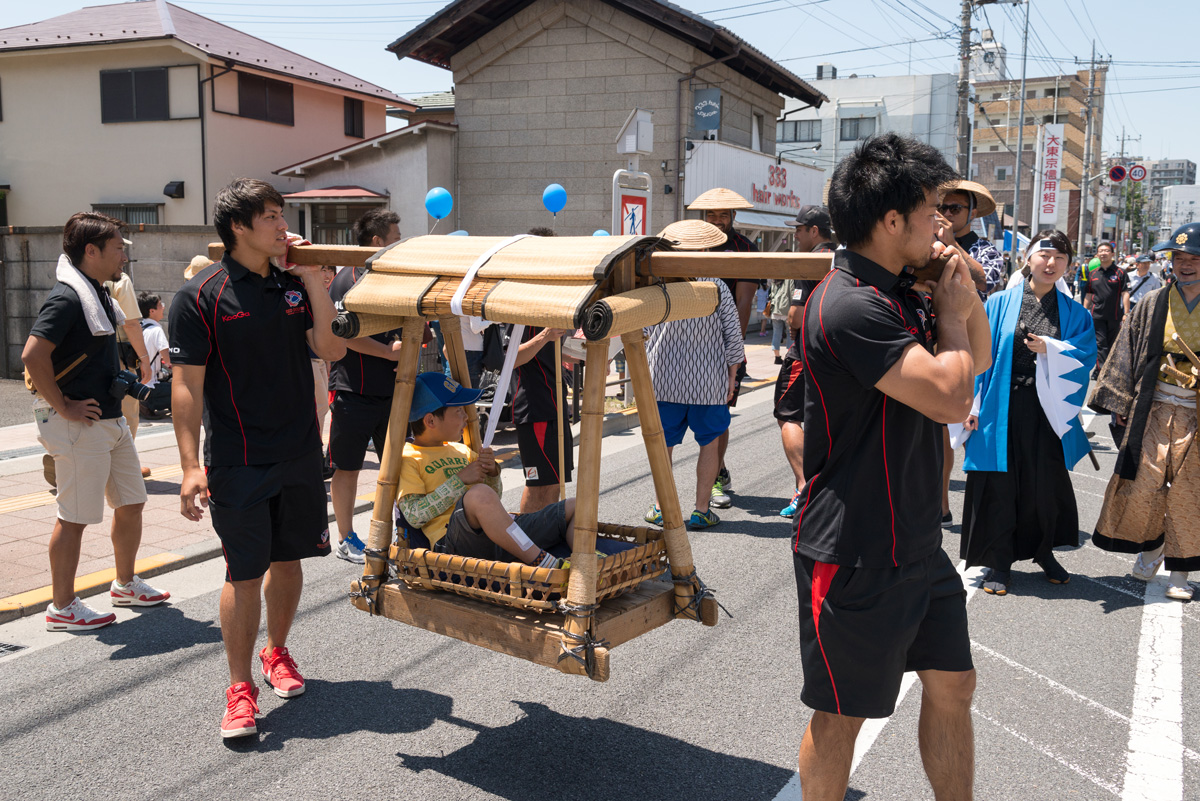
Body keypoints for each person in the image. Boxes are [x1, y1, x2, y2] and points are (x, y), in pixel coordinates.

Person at [792, 133, 990, 801]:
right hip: (853, 548)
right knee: (843, 715)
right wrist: (954, 320)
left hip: (915, 540)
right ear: (891, 221)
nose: (946, 221)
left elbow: (978, 360)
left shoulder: (904, 290)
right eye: (933, 207)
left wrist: (957, 294)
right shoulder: (851, 304)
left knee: (954, 682)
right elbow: (952, 395)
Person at [169, 178, 346, 739]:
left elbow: (331, 349)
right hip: (239, 459)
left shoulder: (291, 287)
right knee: (244, 573)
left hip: (299, 452)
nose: (281, 225)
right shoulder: (200, 296)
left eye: (281, 215)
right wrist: (190, 465)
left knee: (289, 560)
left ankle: (278, 652)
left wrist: (315, 282)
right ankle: (240, 687)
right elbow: (186, 388)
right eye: (270, 216)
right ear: (238, 227)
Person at [22, 212, 169, 632]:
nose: (124, 253)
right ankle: (62, 606)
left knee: (132, 501)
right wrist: (63, 406)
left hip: (108, 417)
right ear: (92, 251)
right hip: (78, 423)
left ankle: (124, 584)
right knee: (73, 516)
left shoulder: (98, 292)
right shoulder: (68, 297)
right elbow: (32, 355)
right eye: (118, 246)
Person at [960, 231, 1096, 595]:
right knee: (1000, 485)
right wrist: (971, 406)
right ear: (1028, 258)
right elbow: (977, 357)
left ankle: (1043, 551)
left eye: (1060, 258)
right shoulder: (1000, 303)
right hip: (1001, 404)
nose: (1051, 264)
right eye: (1044, 255)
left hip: (1047, 408)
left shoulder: (1075, 313)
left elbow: (1085, 356)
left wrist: (1049, 348)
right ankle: (999, 562)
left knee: (1044, 485)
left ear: (1069, 264)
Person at [1088, 222, 1200, 601]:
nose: (1185, 265)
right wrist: (1120, 400)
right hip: (1154, 405)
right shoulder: (1154, 302)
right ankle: (1151, 549)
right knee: (1144, 481)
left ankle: (1182, 572)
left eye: (1194, 258)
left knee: (1190, 490)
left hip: (1195, 413)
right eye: (1179, 257)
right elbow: (1128, 346)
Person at [398, 372, 576, 570]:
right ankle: (547, 564)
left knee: (575, 506)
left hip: (495, 535)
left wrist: (492, 475)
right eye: (458, 411)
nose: (466, 417)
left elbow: (493, 500)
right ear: (430, 421)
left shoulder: (461, 450)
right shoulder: (408, 458)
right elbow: (414, 516)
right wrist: (459, 481)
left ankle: (586, 561)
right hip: (451, 544)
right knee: (477, 494)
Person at [643, 219, 744, 530]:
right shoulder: (717, 287)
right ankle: (701, 509)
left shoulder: (658, 285)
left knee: (664, 446)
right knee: (709, 443)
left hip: (663, 380)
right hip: (708, 382)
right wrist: (732, 377)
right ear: (704, 249)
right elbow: (733, 337)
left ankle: (662, 508)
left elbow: (644, 330)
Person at [327, 208, 404, 563]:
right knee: (348, 467)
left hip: (389, 390)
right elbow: (344, 337)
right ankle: (345, 538)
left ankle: (397, 530)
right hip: (352, 390)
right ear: (377, 242)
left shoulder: (385, 277)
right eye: (395, 238)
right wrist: (390, 353)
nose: (399, 244)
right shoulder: (348, 278)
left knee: (397, 464)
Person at [687, 188, 757, 507]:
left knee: (718, 414)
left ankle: (714, 479)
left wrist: (733, 351)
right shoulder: (689, 244)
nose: (717, 220)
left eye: (723, 215)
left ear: (733, 217)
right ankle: (720, 468)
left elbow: (743, 301)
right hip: (688, 342)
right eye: (711, 215)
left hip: (724, 345)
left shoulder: (745, 248)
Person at [509, 227, 574, 514]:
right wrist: (544, 336)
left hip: (556, 402)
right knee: (537, 483)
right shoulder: (517, 301)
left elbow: (560, 348)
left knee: (555, 482)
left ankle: (547, 540)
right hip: (533, 405)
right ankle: (524, 545)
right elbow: (511, 359)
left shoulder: (552, 298)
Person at [775, 205, 835, 518]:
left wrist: (789, 322)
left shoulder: (812, 262)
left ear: (814, 231)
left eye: (799, 229)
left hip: (804, 353)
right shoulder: (841, 258)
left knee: (787, 415)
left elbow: (795, 316)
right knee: (822, 421)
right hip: (833, 354)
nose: (795, 235)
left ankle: (804, 487)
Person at [103, 250, 155, 479]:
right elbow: (131, 324)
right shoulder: (119, 281)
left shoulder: (80, 277)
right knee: (127, 412)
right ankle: (123, 465)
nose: (124, 257)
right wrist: (145, 359)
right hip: (120, 357)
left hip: (89, 357)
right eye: (119, 250)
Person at [937, 180, 1002, 296]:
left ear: (972, 214)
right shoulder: (932, 242)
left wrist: (952, 244)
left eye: (955, 208)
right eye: (943, 208)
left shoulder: (988, 250)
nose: (947, 214)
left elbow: (985, 283)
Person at [1082, 241, 1130, 377]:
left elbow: (1125, 293)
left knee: (1112, 344)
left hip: (1115, 315)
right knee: (1100, 343)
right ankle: (1104, 371)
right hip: (1097, 315)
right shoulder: (1092, 274)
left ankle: (1102, 369)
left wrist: (1126, 313)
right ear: (1097, 254)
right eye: (1101, 251)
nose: (1103, 253)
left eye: (1106, 251)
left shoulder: (1120, 272)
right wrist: (1084, 311)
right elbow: (1089, 295)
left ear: (1112, 254)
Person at [135, 292, 172, 417]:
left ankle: (144, 401)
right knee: (184, 389)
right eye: (160, 304)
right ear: (152, 311)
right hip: (151, 387)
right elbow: (168, 360)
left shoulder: (140, 327)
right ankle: (147, 404)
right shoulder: (156, 330)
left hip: (139, 385)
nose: (163, 307)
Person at [767, 278, 792, 364]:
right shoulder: (790, 278)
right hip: (786, 308)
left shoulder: (775, 278)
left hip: (775, 308)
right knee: (790, 333)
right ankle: (789, 357)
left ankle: (777, 357)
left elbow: (771, 293)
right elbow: (792, 292)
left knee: (776, 333)